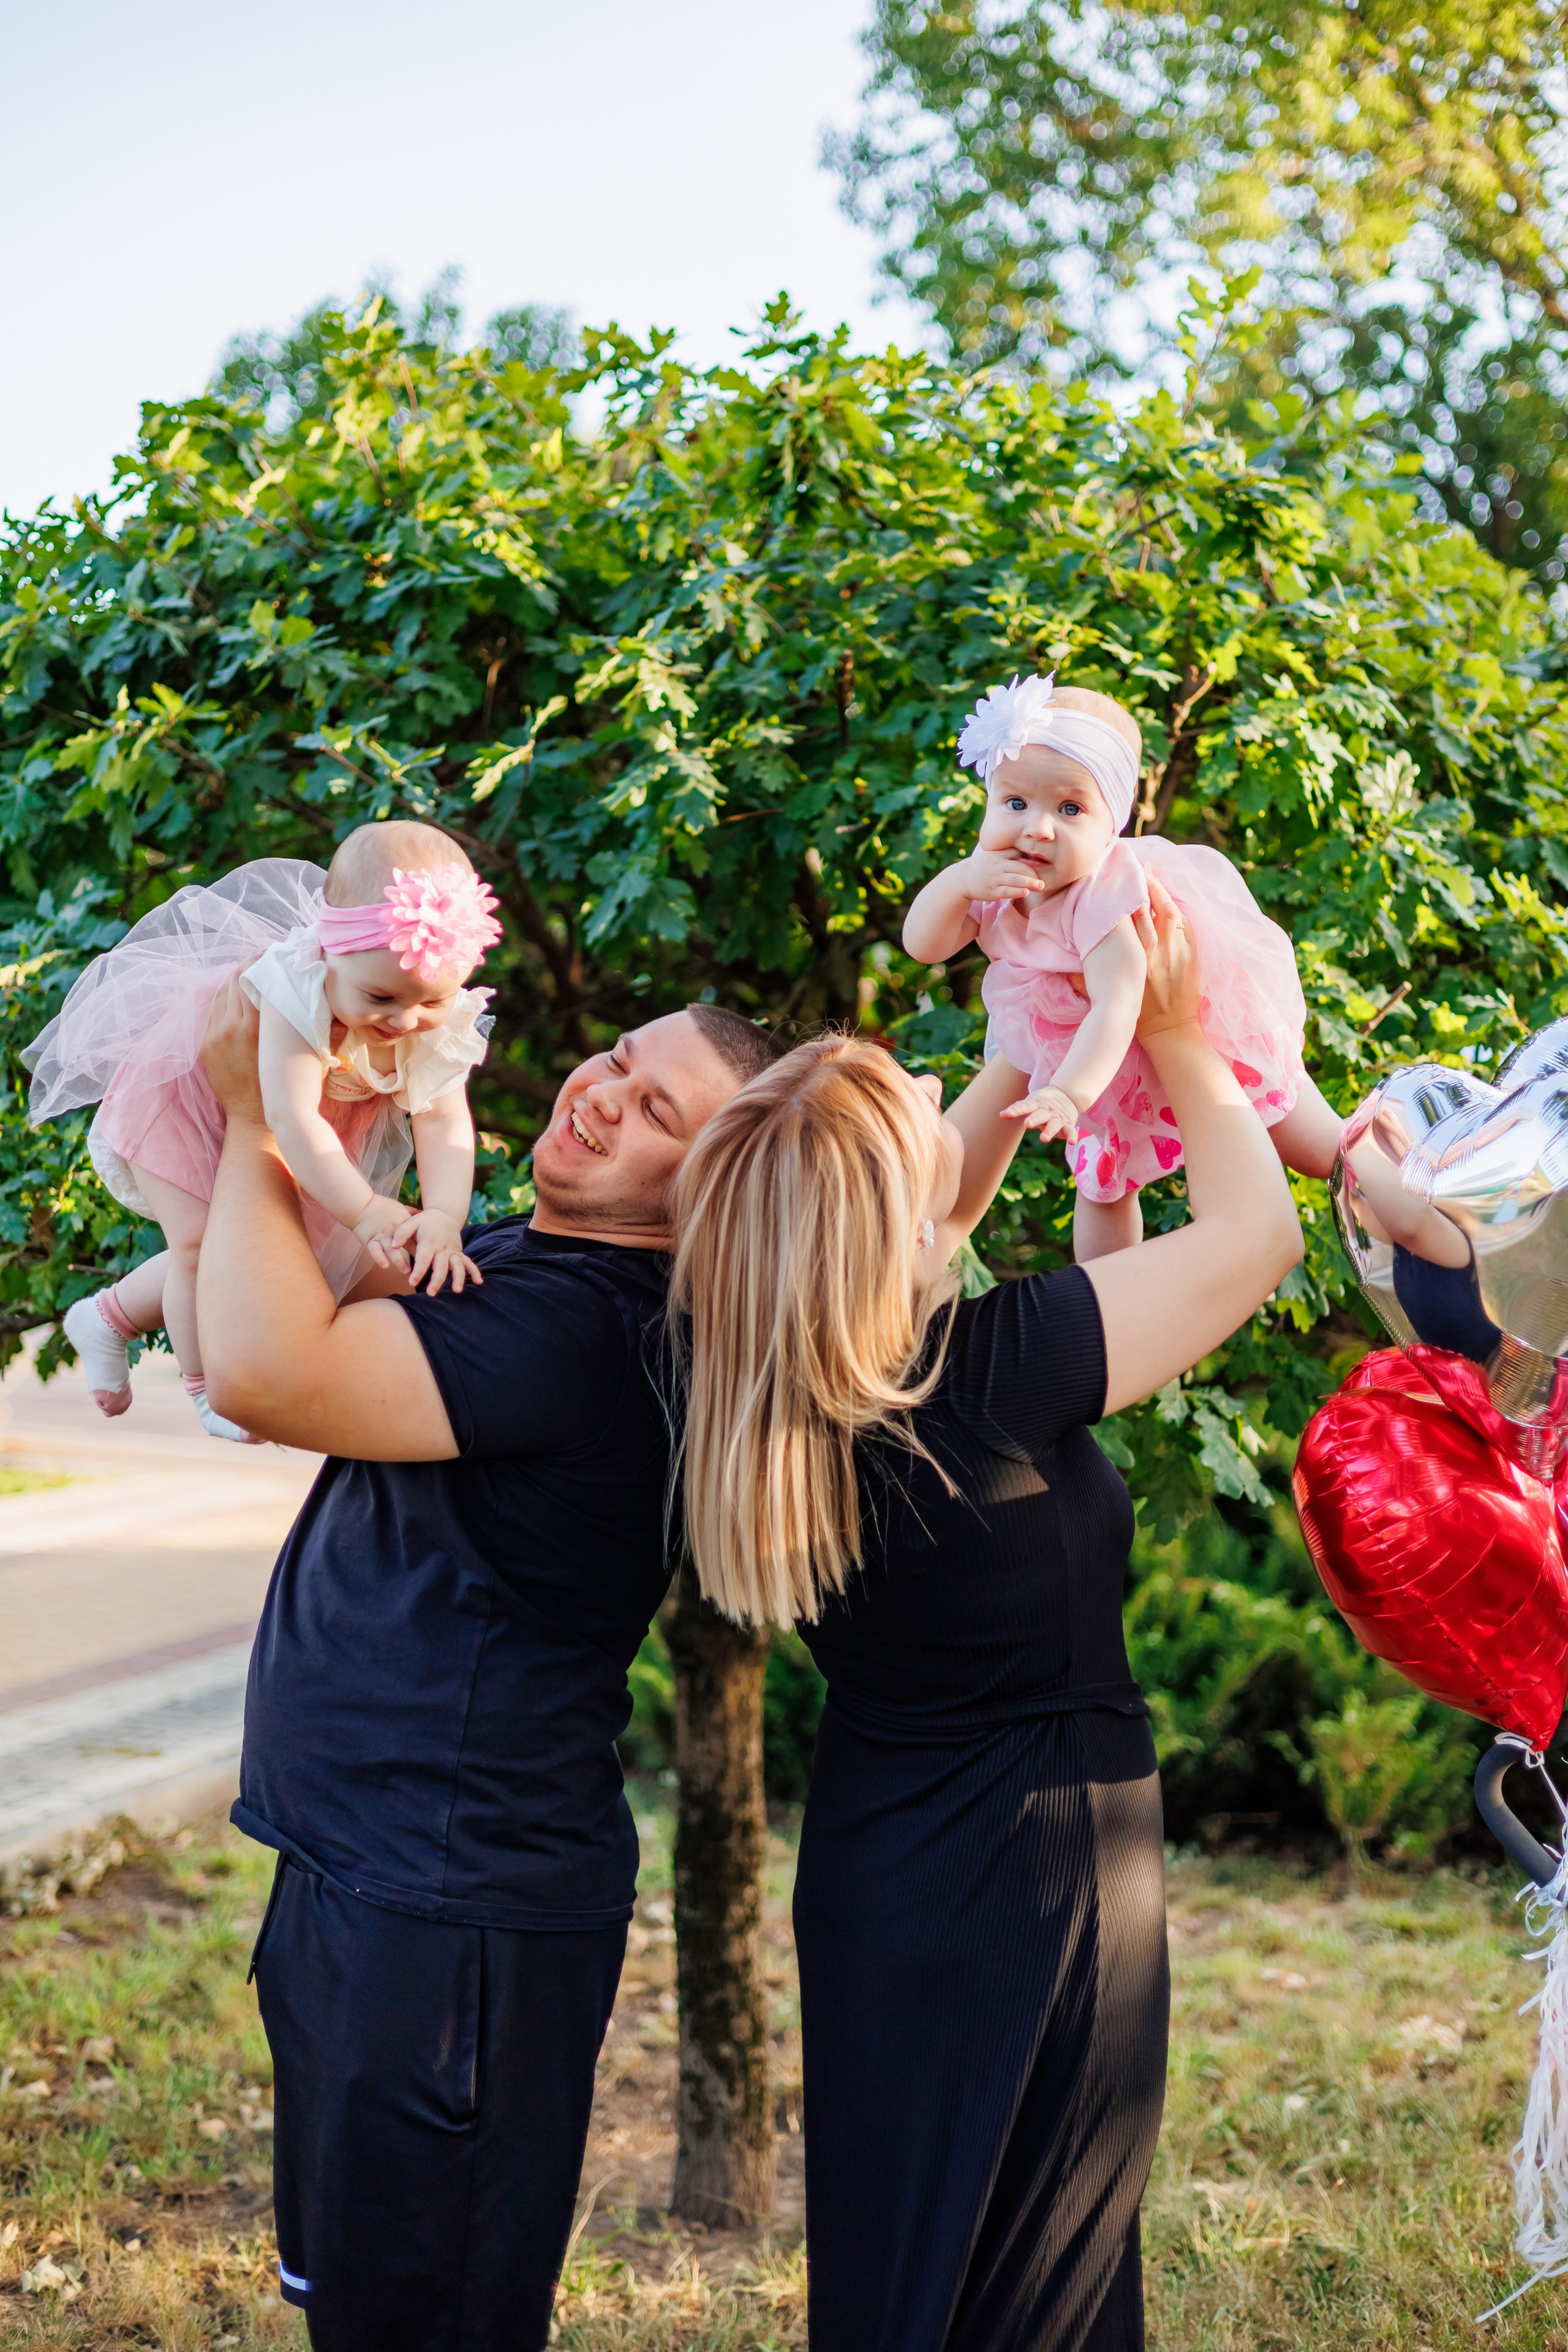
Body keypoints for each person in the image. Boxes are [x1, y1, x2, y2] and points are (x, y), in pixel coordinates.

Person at [670, 879, 1302, 2351]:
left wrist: (1036, 1027)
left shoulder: (749, 1383)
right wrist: (1175, 1028)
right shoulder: (994, 1364)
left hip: (878, 1874)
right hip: (1050, 1865)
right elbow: (1256, 1233)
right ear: (879, 1217)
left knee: (904, 2276)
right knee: (1042, 2292)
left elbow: (904, 1195)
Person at [191, 986, 778, 2352]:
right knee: (358, 2304)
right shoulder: (518, 1255)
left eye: (655, 1113)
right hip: (367, 1867)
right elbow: (257, 1330)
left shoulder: (588, 1327)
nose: (601, 1094)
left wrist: (252, 1118)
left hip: (452, 1913)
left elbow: (267, 1378)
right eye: (622, 1061)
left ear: (699, 1194)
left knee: (426, 2322)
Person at [24, 822, 502, 1439]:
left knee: (287, 1244)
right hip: (188, 1097)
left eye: (430, 1002)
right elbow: (289, 1117)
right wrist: (361, 1210)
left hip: (281, 1122)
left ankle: (106, 1316)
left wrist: (443, 1213)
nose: (405, 1019)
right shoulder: (295, 988)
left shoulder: (424, 1011)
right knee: (204, 1246)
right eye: (379, 996)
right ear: (330, 954)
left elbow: (442, 1118)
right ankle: (208, 1387)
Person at [902, 671, 1343, 1261]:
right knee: (1103, 1185)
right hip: (1092, 1055)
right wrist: (957, 883)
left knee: (1311, 1144)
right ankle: (1106, 1291)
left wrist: (1067, 1095)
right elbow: (924, 946)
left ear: (1112, 827)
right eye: (1014, 802)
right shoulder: (995, 872)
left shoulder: (1105, 896)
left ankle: (1405, 1179)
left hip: (1165, 1031)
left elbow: (1119, 1002)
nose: (1037, 826)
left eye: (1070, 808)